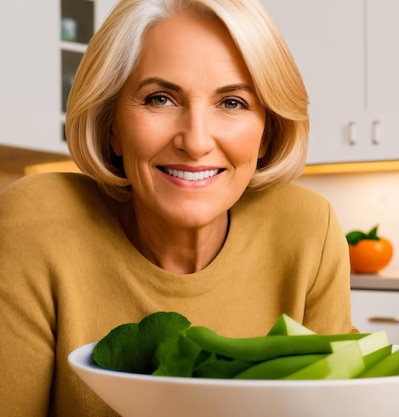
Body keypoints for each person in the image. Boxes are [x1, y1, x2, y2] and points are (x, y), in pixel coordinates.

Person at [0, 0, 355, 415]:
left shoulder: (308, 227)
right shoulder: (37, 221)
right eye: (161, 99)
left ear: (266, 133)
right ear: (111, 124)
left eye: (233, 103)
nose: (196, 141)